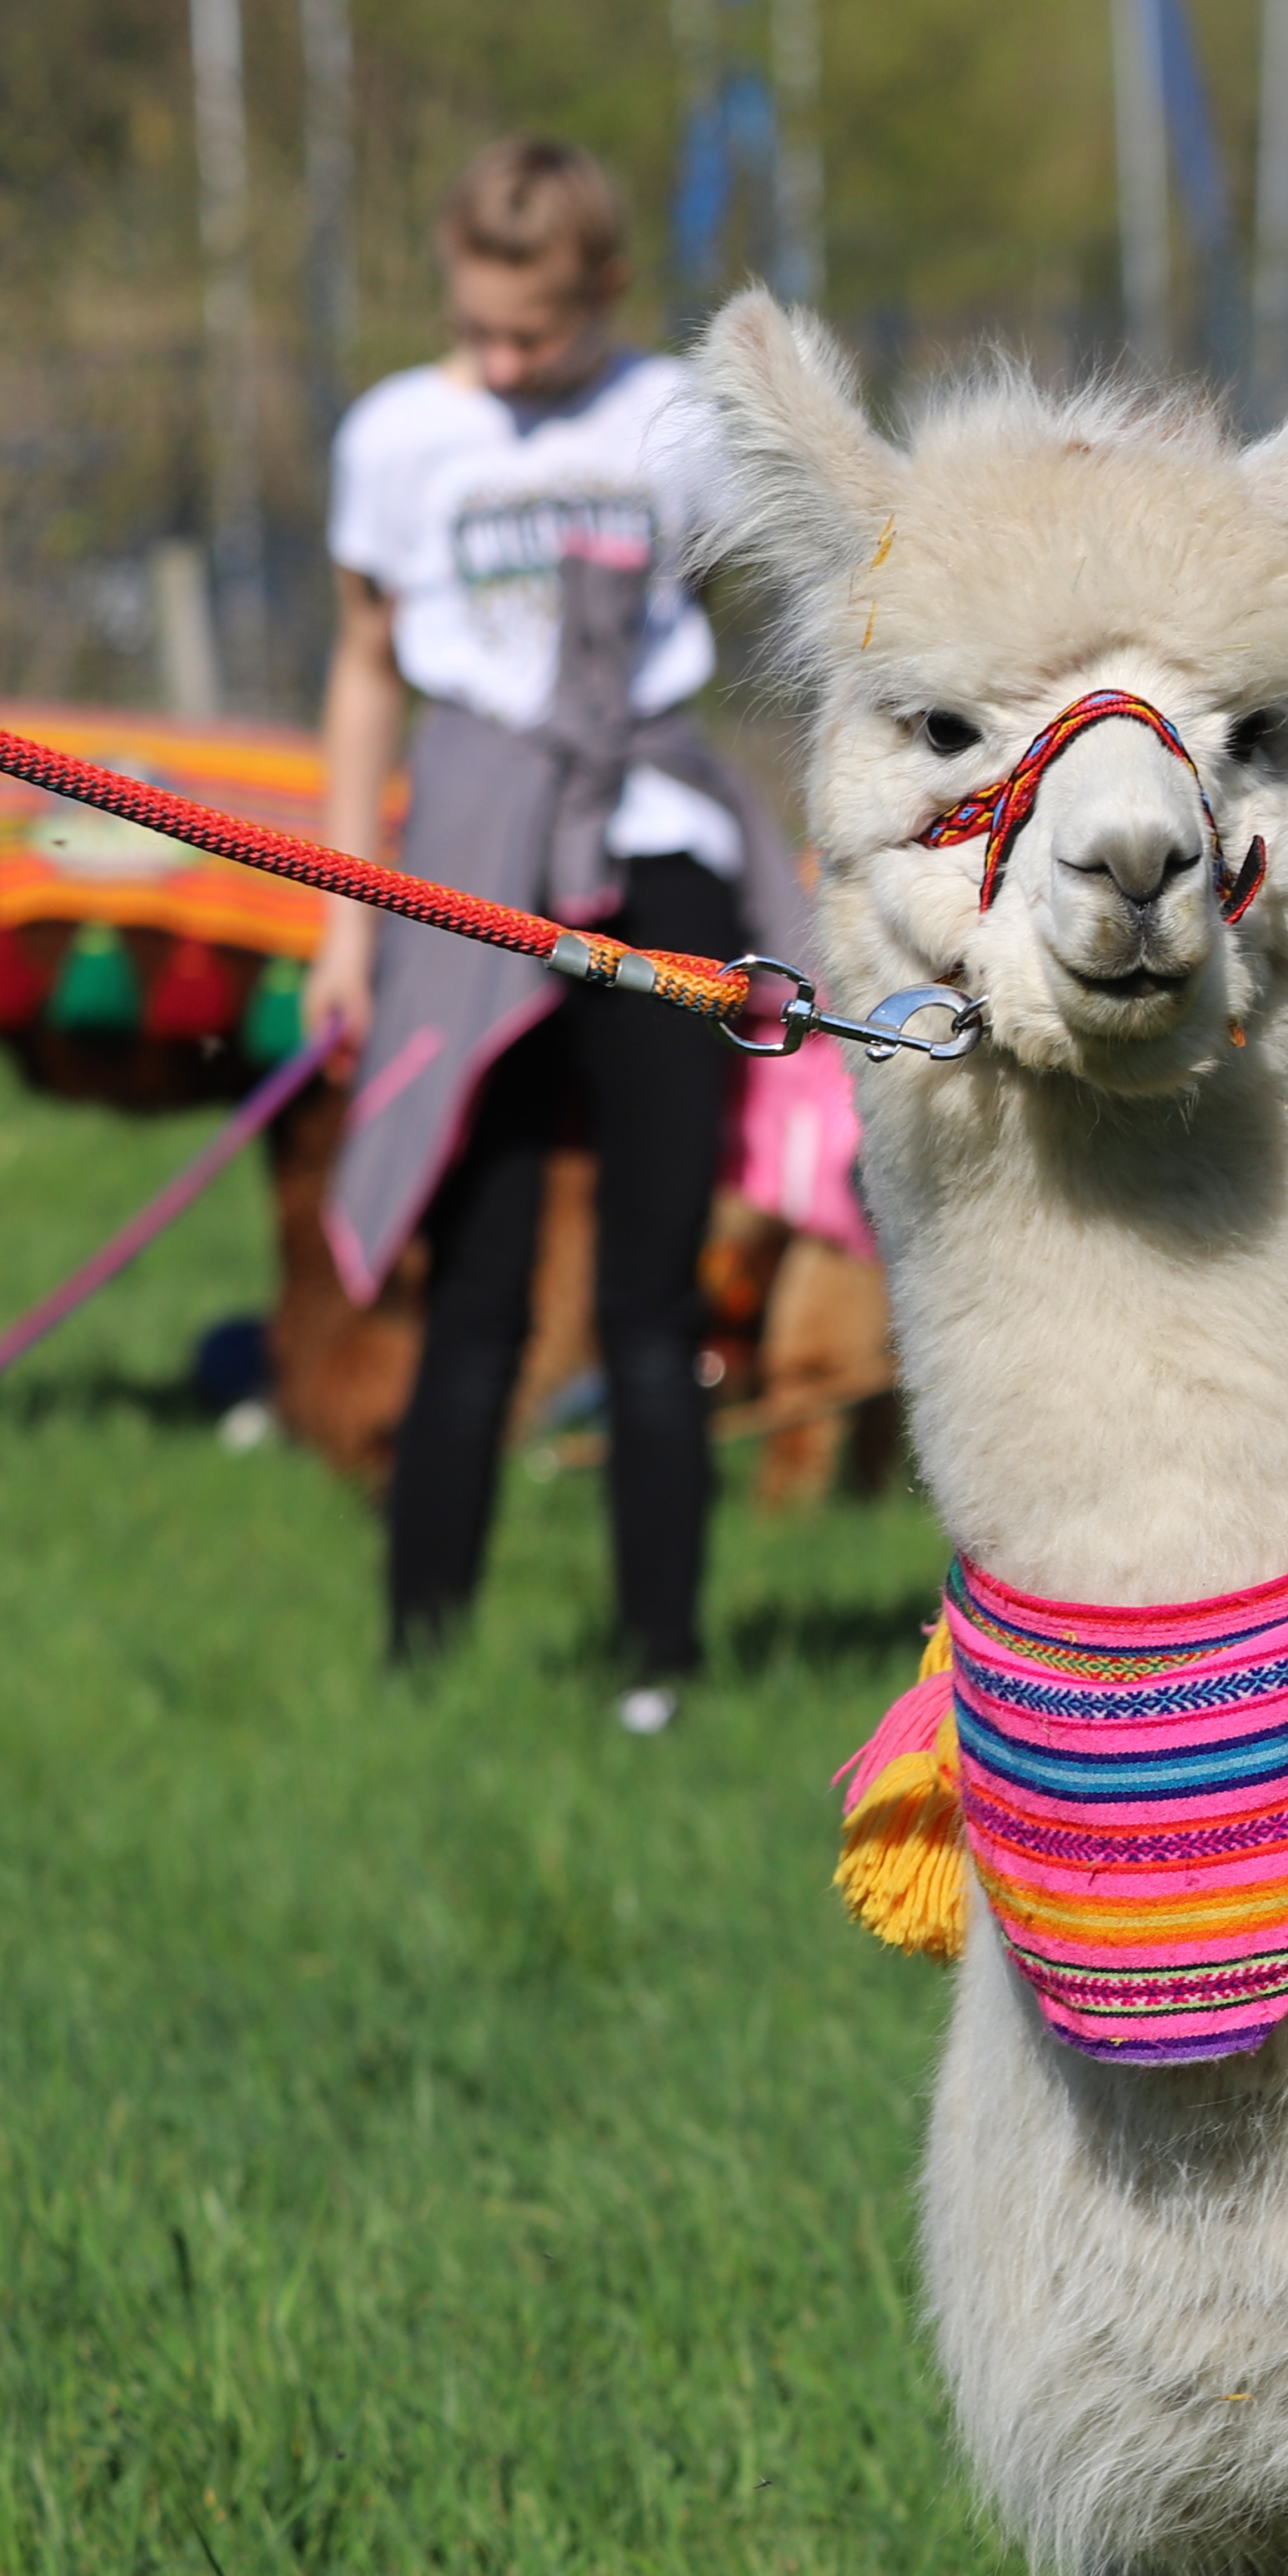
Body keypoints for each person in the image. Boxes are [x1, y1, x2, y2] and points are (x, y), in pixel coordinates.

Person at [310, 139, 774, 1725]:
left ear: (604, 299)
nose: (506, 365)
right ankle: (417, 1661)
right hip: (472, 863)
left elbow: (763, 635)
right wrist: (342, 922)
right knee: (480, 1283)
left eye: (539, 337)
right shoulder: (400, 434)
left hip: (653, 852)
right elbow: (369, 668)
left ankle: (662, 1663)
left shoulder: (679, 419)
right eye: (481, 328)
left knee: (653, 1288)